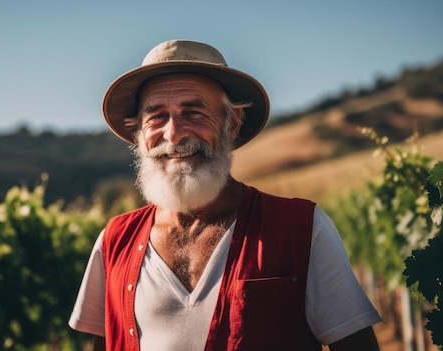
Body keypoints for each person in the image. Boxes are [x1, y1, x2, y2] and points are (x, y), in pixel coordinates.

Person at [69, 39, 382, 351]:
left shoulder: (302, 228)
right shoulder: (113, 242)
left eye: (193, 112)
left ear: (232, 125)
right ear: (140, 134)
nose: (174, 134)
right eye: (156, 116)